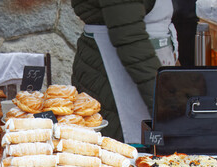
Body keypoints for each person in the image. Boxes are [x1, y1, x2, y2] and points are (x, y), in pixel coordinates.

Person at [71, 0, 178, 143]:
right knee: (128, 157)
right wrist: (165, 105)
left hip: (144, 71)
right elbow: (130, 36)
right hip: (116, 76)